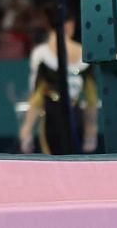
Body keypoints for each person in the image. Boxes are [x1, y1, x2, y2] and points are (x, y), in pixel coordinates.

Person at [19, 19, 99, 154]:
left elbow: (91, 96)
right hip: (60, 113)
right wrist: (91, 132)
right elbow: (38, 95)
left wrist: (26, 129)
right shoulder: (43, 54)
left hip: (68, 114)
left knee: (67, 160)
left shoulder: (42, 54)